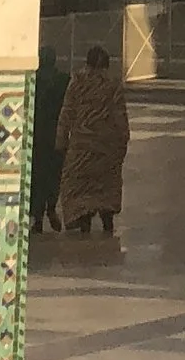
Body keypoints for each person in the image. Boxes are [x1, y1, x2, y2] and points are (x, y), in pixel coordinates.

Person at [55, 45, 128, 234]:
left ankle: (84, 224)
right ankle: (107, 223)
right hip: (106, 146)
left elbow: (67, 112)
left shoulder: (78, 81)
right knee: (106, 186)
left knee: (81, 188)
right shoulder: (112, 84)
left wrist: (61, 141)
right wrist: (122, 143)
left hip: (82, 147)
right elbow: (120, 117)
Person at [27, 43, 71, 235]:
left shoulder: (32, 80)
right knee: (54, 175)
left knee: (37, 176)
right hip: (57, 134)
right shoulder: (64, 79)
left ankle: (37, 216)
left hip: (36, 135)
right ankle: (51, 208)